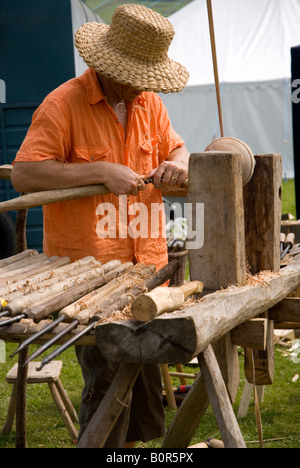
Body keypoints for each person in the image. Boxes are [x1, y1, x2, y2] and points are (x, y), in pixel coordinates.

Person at [11, 4, 190, 447]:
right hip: (90, 271)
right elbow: (24, 174)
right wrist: (99, 171)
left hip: (147, 265)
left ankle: (139, 449)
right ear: (108, 67)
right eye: (137, 77)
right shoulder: (64, 103)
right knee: (110, 376)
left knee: (147, 371)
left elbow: (180, 149)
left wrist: (176, 165)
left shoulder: (148, 103)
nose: (144, 87)